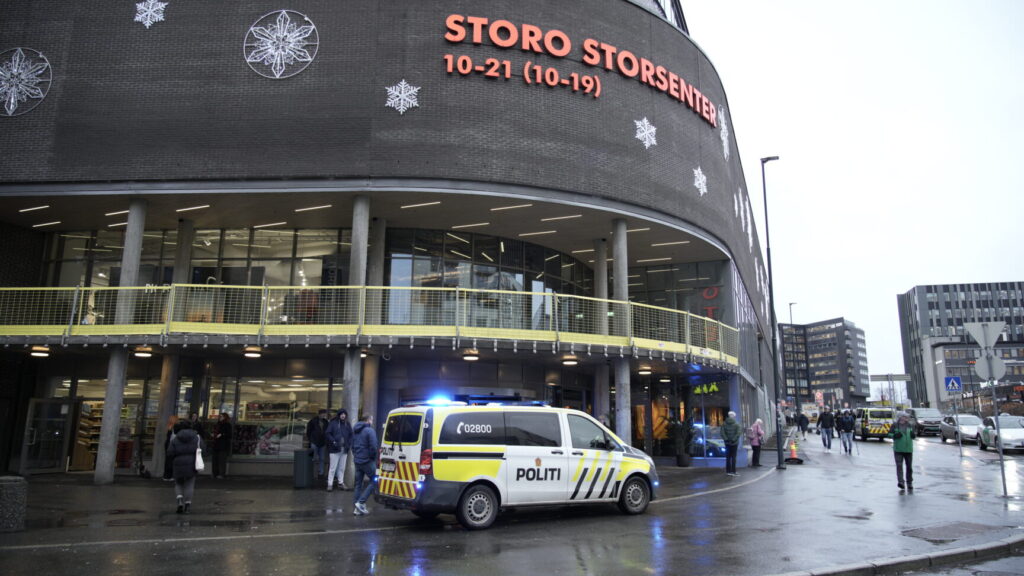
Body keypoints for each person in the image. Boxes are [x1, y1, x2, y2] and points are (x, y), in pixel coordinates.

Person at [167, 419, 204, 514]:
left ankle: (179, 500)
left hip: (178, 462)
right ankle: (187, 504)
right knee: (190, 484)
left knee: (178, 483)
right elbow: (203, 449)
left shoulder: (175, 438)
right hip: (192, 462)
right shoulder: (196, 437)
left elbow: (170, 452)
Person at [352, 414, 379, 515]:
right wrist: (372, 457)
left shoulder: (355, 430)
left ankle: (356, 508)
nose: (372, 421)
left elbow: (352, 445)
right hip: (367, 460)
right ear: (368, 420)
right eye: (372, 420)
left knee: (358, 484)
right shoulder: (370, 430)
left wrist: (356, 455)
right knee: (375, 480)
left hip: (357, 460)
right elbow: (373, 446)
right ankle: (361, 502)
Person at [325, 408, 353, 491]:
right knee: (333, 468)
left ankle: (340, 482)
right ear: (339, 415)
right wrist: (333, 441)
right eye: (341, 414)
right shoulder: (333, 423)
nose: (343, 415)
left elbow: (351, 435)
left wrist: (349, 444)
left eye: (344, 414)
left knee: (342, 468)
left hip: (344, 449)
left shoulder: (347, 424)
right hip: (334, 449)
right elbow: (328, 433)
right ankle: (330, 484)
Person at [888, 411, 916, 490]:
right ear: (900, 417)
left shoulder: (910, 425)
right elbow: (889, 434)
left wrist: (913, 435)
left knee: (909, 467)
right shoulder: (895, 425)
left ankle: (909, 482)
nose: (906, 418)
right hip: (898, 449)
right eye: (905, 416)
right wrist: (895, 435)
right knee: (899, 466)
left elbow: (913, 434)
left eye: (907, 417)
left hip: (908, 449)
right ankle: (901, 482)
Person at [306, 409, 329, 480]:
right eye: (323, 414)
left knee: (322, 458)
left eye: (324, 414)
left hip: (322, 443)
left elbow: (327, 431)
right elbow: (308, 431)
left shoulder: (326, 422)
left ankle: (320, 473)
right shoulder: (313, 421)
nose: (324, 415)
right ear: (319, 414)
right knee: (313, 458)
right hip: (314, 442)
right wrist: (311, 440)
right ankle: (311, 473)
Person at [211, 412, 232, 479]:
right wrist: (213, 434)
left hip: (223, 445)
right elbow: (214, 431)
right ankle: (215, 473)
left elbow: (229, 434)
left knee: (221, 460)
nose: (220, 418)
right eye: (219, 416)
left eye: (221, 416)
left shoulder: (227, 425)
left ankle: (221, 474)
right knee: (215, 460)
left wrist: (222, 434)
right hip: (216, 444)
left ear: (225, 417)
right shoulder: (217, 424)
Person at [721, 411, 741, 477]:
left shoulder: (724, 424)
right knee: (733, 457)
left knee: (728, 457)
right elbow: (738, 433)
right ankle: (733, 471)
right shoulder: (737, 424)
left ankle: (728, 471)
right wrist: (733, 440)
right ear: (734, 416)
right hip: (734, 443)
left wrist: (726, 439)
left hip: (727, 443)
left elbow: (722, 433)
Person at [162, 414, 179, 481]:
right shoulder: (174, 427)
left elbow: (168, 436)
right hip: (172, 445)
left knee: (168, 461)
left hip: (168, 445)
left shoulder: (169, 426)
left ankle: (166, 476)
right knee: (171, 461)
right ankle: (170, 475)